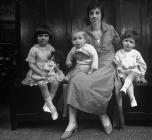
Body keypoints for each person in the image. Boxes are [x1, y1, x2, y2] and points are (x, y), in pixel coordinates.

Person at [60, 1, 121, 139]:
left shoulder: (110, 29)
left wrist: (122, 63)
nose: (94, 16)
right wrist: (73, 61)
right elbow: (77, 49)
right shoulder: (84, 33)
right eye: (91, 13)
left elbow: (120, 46)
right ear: (88, 16)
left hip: (107, 66)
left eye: (97, 13)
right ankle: (72, 122)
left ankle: (102, 115)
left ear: (101, 15)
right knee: (74, 80)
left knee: (98, 84)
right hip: (89, 66)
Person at [21, 25, 65, 120]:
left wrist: (56, 69)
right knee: (42, 84)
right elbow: (31, 64)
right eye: (40, 36)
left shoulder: (51, 48)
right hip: (37, 70)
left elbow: (54, 61)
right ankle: (52, 108)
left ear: (49, 38)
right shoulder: (34, 49)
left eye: (46, 35)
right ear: (36, 37)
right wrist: (41, 73)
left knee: (56, 82)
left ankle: (47, 105)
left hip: (49, 70)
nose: (43, 38)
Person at [114, 30, 147, 107]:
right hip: (124, 73)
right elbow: (116, 63)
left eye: (131, 42)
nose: (128, 43)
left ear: (134, 45)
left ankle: (124, 88)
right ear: (122, 41)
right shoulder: (118, 53)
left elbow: (143, 65)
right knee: (125, 78)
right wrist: (119, 69)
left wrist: (142, 75)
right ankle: (132, 99)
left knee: (133, 73)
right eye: (126, 41)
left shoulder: (136, 53)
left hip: (134, 74)